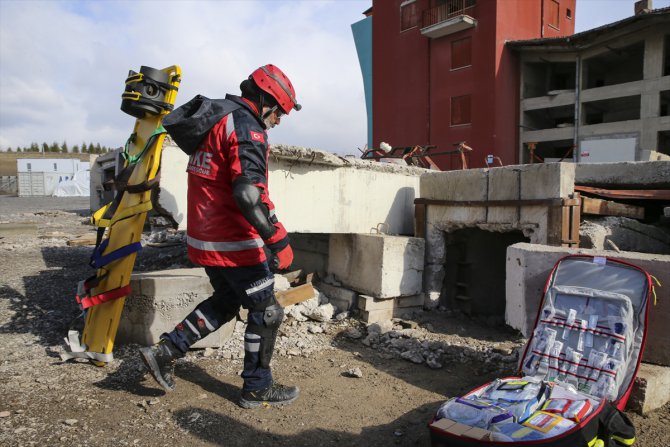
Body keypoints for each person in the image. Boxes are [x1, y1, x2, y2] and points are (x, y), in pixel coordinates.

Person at [140, 64, 301, 409]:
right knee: (267, 310)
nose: (278, 120)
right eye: (279, 113)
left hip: (205, 239)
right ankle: (257, 387)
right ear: (264, 101)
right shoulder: (247, 128)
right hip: (234, 242)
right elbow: (246, 195)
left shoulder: (218, 120)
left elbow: (235, 185)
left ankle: (165, 352)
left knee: (227, 301)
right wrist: (278, 241)